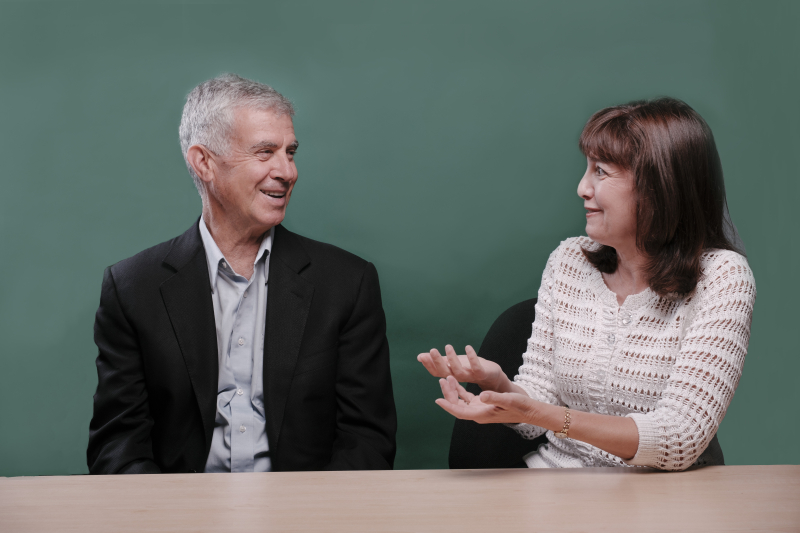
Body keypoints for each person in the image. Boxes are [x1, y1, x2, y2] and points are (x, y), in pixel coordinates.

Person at [418, 97, 756, 471]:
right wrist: (501, 386)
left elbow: (678, 439)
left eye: (601, 171)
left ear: (659, 186)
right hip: (554, 487)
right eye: (587, 168)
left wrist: (550, 416)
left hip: (662, 503)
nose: (582, 187)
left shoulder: (723, 277)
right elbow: (538, 403)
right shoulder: (570, 260)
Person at [88, 74, 397, 474]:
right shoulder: (132, 288)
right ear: (204, 162)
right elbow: (119, 446)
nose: (287, 171)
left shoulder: (348, 283)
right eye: (265, 152)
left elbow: (366, 440)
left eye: (291, 152)